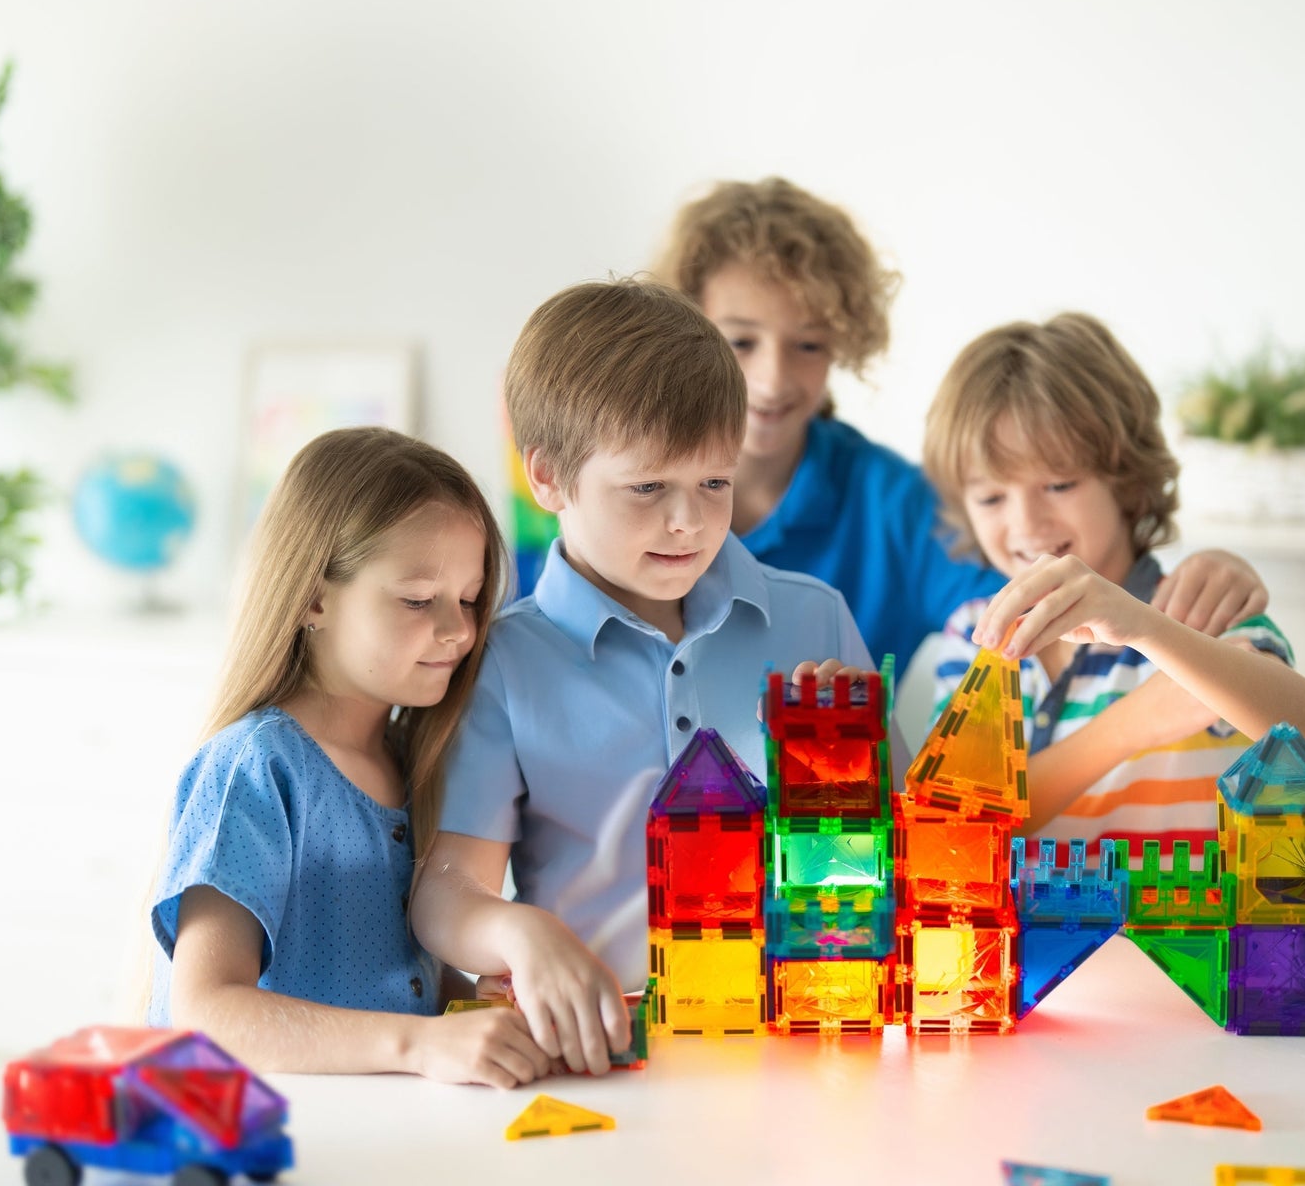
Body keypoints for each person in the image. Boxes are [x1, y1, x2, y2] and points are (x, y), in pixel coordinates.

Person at [410, 278, 871, 1076]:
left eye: (714, 483)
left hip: (806, 1046)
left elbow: (899, 854)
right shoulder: (502, 662)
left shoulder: (816, 619)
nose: (687, 521)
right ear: (548, 477)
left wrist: (841, 773)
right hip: (603, 1060)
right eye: (648, 487)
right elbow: (448, 892)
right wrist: (521, 935)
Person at [654, 176, 1270, 675]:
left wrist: (1212, 570)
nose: (770, 380)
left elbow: (1053, 576)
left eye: (809, 345)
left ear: (845, 342)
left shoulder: (895, 505)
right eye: (740, 341)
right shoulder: (621, 481)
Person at [146, 427, 552, 1088]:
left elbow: (391, 987)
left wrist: (475, 1011)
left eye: (469, 600)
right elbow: (206, 1012)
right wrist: (423, 1044)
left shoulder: (413, 761)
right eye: (417, 600)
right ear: (314, 598)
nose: (459, 630)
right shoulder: (256, 766)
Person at [921, 313, 1305, 855]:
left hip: (1173, 914)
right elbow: (951, 833)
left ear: (1125, 480)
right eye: (991, 497)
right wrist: (1133, 723)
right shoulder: (971, 634)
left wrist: (1149, 629)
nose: (1026, 522)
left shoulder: (1200, 611)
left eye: (1059, 484)